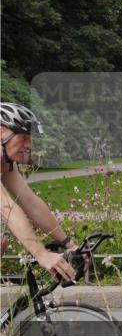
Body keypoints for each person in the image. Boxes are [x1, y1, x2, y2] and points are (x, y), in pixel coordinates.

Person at [0, 103, 80, 282]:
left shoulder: (5, 163)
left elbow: (29, 202)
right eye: (23, 138)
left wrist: (68, 243)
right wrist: (41, 254)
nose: (28, 145)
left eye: (30, 139)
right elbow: (6, 207)